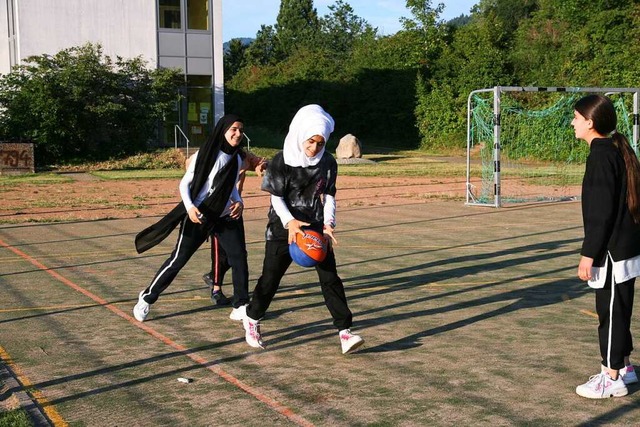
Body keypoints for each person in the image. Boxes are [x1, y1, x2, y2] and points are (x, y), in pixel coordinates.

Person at [240, 104, 364, 355]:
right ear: (300, 134)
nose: (314, 148)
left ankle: (345, 332)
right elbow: (276, 197)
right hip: (282, 228)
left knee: (330, 278)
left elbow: (328, 195)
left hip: (316, 228)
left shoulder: (327, 162)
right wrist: (290, 222)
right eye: (310, 142)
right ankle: (252, 318)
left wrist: (329, 224)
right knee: (270, 279)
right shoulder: (281, 159)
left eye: (320, 143)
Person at [133, 114, 250, 322]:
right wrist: (190, 208)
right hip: (199, 215)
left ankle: (240, 304)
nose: (238, 134)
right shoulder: (204, 154)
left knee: (239, 257)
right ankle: (147, 297)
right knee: (178, 260)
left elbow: (231, 188)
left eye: (241, 130)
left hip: (224, 217)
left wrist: (239, 201)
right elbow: (184, 184)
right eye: (233, 129)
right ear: (223, 130)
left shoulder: (237, 158)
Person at [573, 94, 640, 399]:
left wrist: (588, 255)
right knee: (619, 308)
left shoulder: (601, 155)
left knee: (610, 312)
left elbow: (601, 213)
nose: (573, 123)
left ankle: (610, 376)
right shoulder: (615, 149)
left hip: (613, 250)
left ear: (590, 122)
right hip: (624, 247)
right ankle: (625, 366)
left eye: (576, 118)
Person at [184, 150, 267, 309]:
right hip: (215, 211)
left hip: (234, 209)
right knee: (218, 252)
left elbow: (260, 162)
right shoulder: (214, 155)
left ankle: (213, 277)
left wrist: (261, 166)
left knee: (238, 255)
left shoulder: (242, 157)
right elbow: (189, 163)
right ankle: (216, 289)